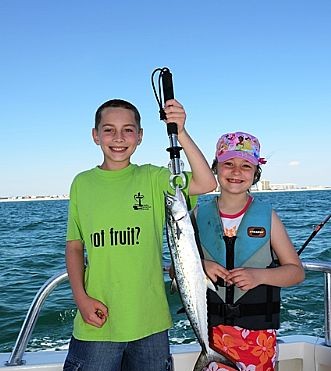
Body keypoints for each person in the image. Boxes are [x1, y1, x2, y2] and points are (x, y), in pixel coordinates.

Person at [63, 98, 217, 371]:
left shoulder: (154, 178)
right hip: (98, 319)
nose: (119, 138)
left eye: (128, 130)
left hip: (151, 322)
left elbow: (206, 182)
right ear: (95, 135)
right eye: (109, 129)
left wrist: (180, 131)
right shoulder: (81, 183)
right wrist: (81, 299)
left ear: (141, 136)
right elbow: (75, 245)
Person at [191, 132, 305, 371]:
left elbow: (295, 272)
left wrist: (259, 276)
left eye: (245, 166)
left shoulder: (269, 218)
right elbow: (175, 269)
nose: (236, 172)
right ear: (215, 168)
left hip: (258, 338)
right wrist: (200, 266)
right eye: (228, 164)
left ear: (255, 174)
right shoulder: (196, 216)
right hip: (211, 334)